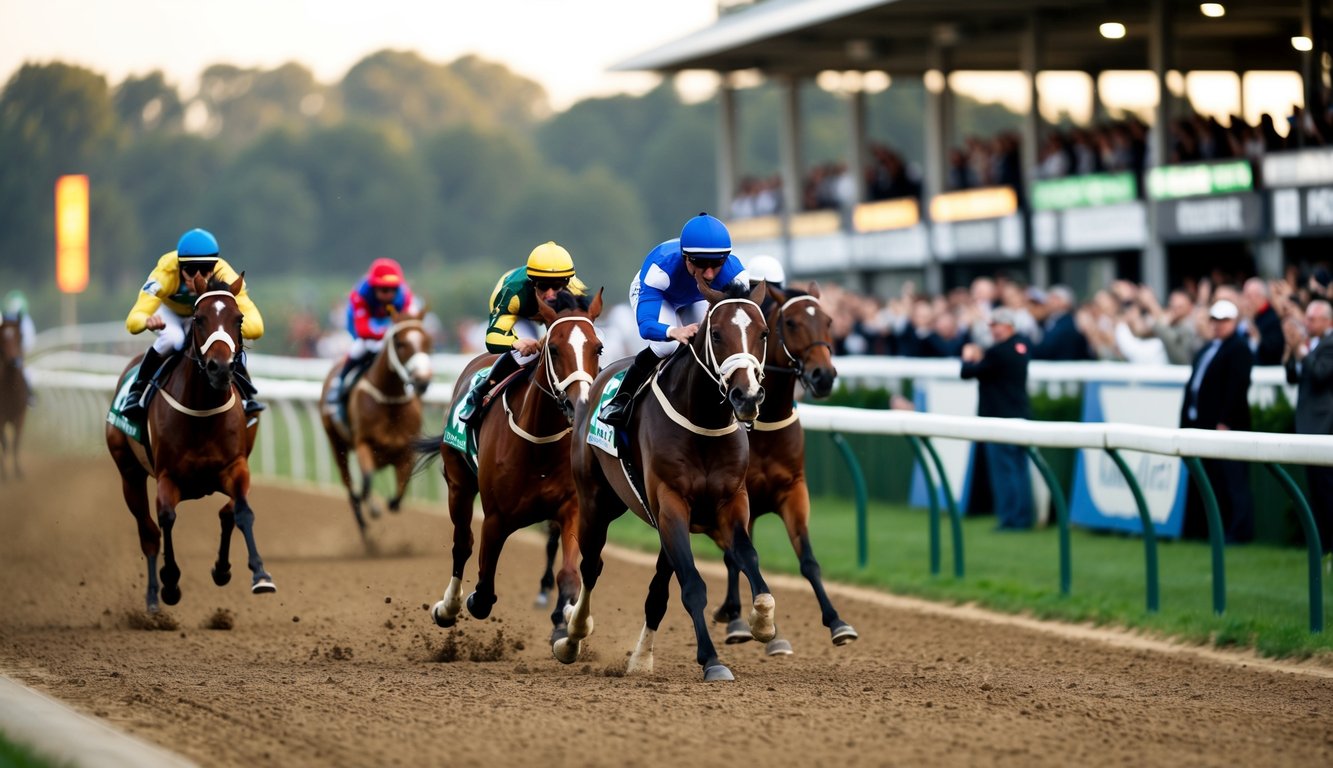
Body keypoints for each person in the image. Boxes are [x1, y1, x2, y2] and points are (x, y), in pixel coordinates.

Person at [599, 212, 749, 429]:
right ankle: (622, 398)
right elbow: (646, 325)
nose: (708, 274)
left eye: (716, 264)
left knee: (714, 342)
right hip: (662, 296)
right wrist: (672, 331)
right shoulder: (660, 270)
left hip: (694, 297)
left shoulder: (736, 275)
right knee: (665, 347)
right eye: (700, 263)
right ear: (686, 258)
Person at [122, 228, 264, 421]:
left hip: (204, 316)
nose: (198, 277)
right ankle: (137, 390)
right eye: (190, 270)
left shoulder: (225, 274)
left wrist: (231, 326)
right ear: (180, 267)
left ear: (214, 267)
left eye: (205, 270)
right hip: (170, 314)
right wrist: (146, 321)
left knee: (224, 341)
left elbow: (256, 327)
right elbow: (133, 320)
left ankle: (246, 395)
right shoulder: (165, 273)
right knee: (175, 339)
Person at [459, 241, 586, 427]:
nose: (550, 294)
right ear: (533, 283)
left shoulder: (576, 291)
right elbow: (492, 339)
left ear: (567, 283)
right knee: (526, 354)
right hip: (522, 315)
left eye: (557, 285)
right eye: (543, 286)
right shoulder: (514, 293)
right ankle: (480, 392)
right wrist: (515, 343)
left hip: (556, 315)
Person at [1179, 299, 1255, 543]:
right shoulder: (1206, 349)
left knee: (1232, 481)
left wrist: (1225, 420)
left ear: (1234, 322)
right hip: (1200, 423)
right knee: (1208, 480)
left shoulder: (1239, 348)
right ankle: (1207, 529)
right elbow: (1194, 386)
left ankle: (1238, 532)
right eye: (1215, 320)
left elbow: (1238, 386)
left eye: (1223, 321)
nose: (1218, 325)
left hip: (1225, 426)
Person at [960, 308, 1035, 530]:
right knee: (1019, 470)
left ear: (1008, 326)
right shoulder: (1022, 346)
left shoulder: (999, 352)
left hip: (999, 420)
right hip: (1020, 416)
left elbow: (967, 373)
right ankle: (1022, 517)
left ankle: (1010, 519)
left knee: (1005, 472)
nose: (992, 330)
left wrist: (968, 358)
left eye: (996, 326)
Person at [326, 258, 418, 417]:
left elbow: (408, 324)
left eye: (393, 290)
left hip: (387, 323)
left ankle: (413, 385)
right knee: (362, 347)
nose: (389, 295)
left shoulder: (404, 296)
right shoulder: (360, 294)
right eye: (383, 290)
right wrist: (386, 334)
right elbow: (363, 330)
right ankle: (339, 383)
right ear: (374, 288)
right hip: (363, 323)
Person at [1284, 299, 1333, 562]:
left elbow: (1322, 374)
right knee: (1316, 491)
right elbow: (1293, 378)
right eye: (1308, 318)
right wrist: (1291, 353)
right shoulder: (1312, 344)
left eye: (1313, 319)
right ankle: (1322, 546)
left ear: (1329, 321)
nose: (1307, 323)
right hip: (1308, 425)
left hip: (1324, 427)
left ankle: (1328, 545)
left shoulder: (1329, 344)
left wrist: (1302, 352)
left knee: (1327, 491)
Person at [2, 290, 36, 403]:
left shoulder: (25, 322)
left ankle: (29, 397)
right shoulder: (3, 319)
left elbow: (29, 342)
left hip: (18, 357)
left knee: (26, 374)